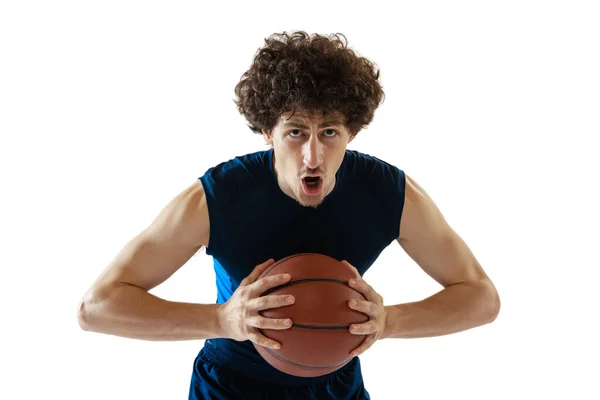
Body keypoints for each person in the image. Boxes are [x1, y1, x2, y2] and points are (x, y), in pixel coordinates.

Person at [77, 31, 500, 399]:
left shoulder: (390, 193)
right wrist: (220, 319)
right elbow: (97, 307)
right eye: (296, 131)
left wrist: (390, 322)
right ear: (268, 132)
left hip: (336, 384)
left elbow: (481, 297)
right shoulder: (218, 196)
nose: (313, 155)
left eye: (330, 132)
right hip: (229, 386)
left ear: (352, 130)